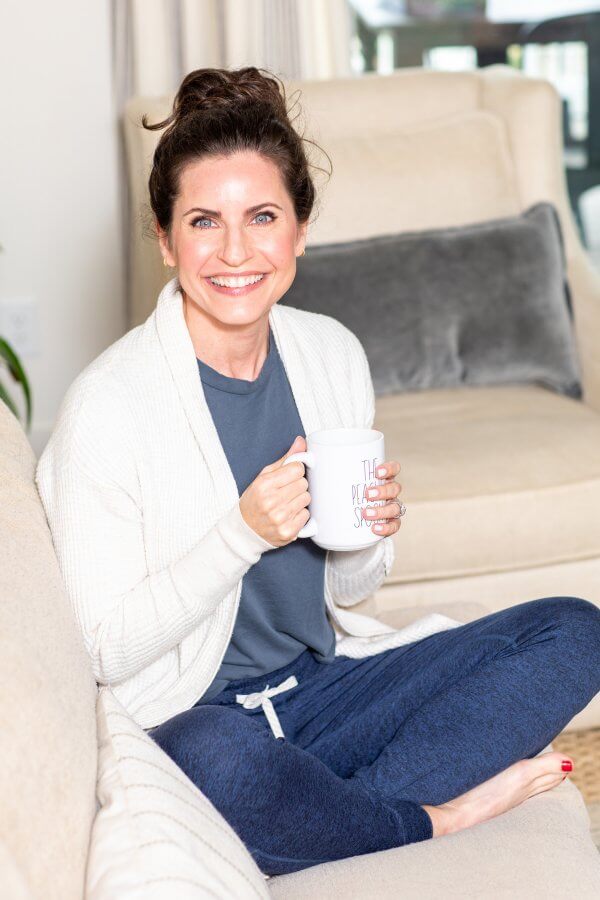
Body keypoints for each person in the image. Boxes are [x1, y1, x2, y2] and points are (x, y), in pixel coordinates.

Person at [35, 65, 600, 878]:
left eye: (263, 217)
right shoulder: (108, 407)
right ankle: (432, 818)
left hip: (323, 694)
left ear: (300, 230)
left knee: (573, 629)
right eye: (204, 221)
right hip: (197, 717)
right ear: (165, 240)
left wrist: (371, 532)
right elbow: (104, 650)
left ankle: (319, 817)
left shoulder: (329, 352)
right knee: (215, 759)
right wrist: (241, 532)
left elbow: (350, 591)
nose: (236, 251)